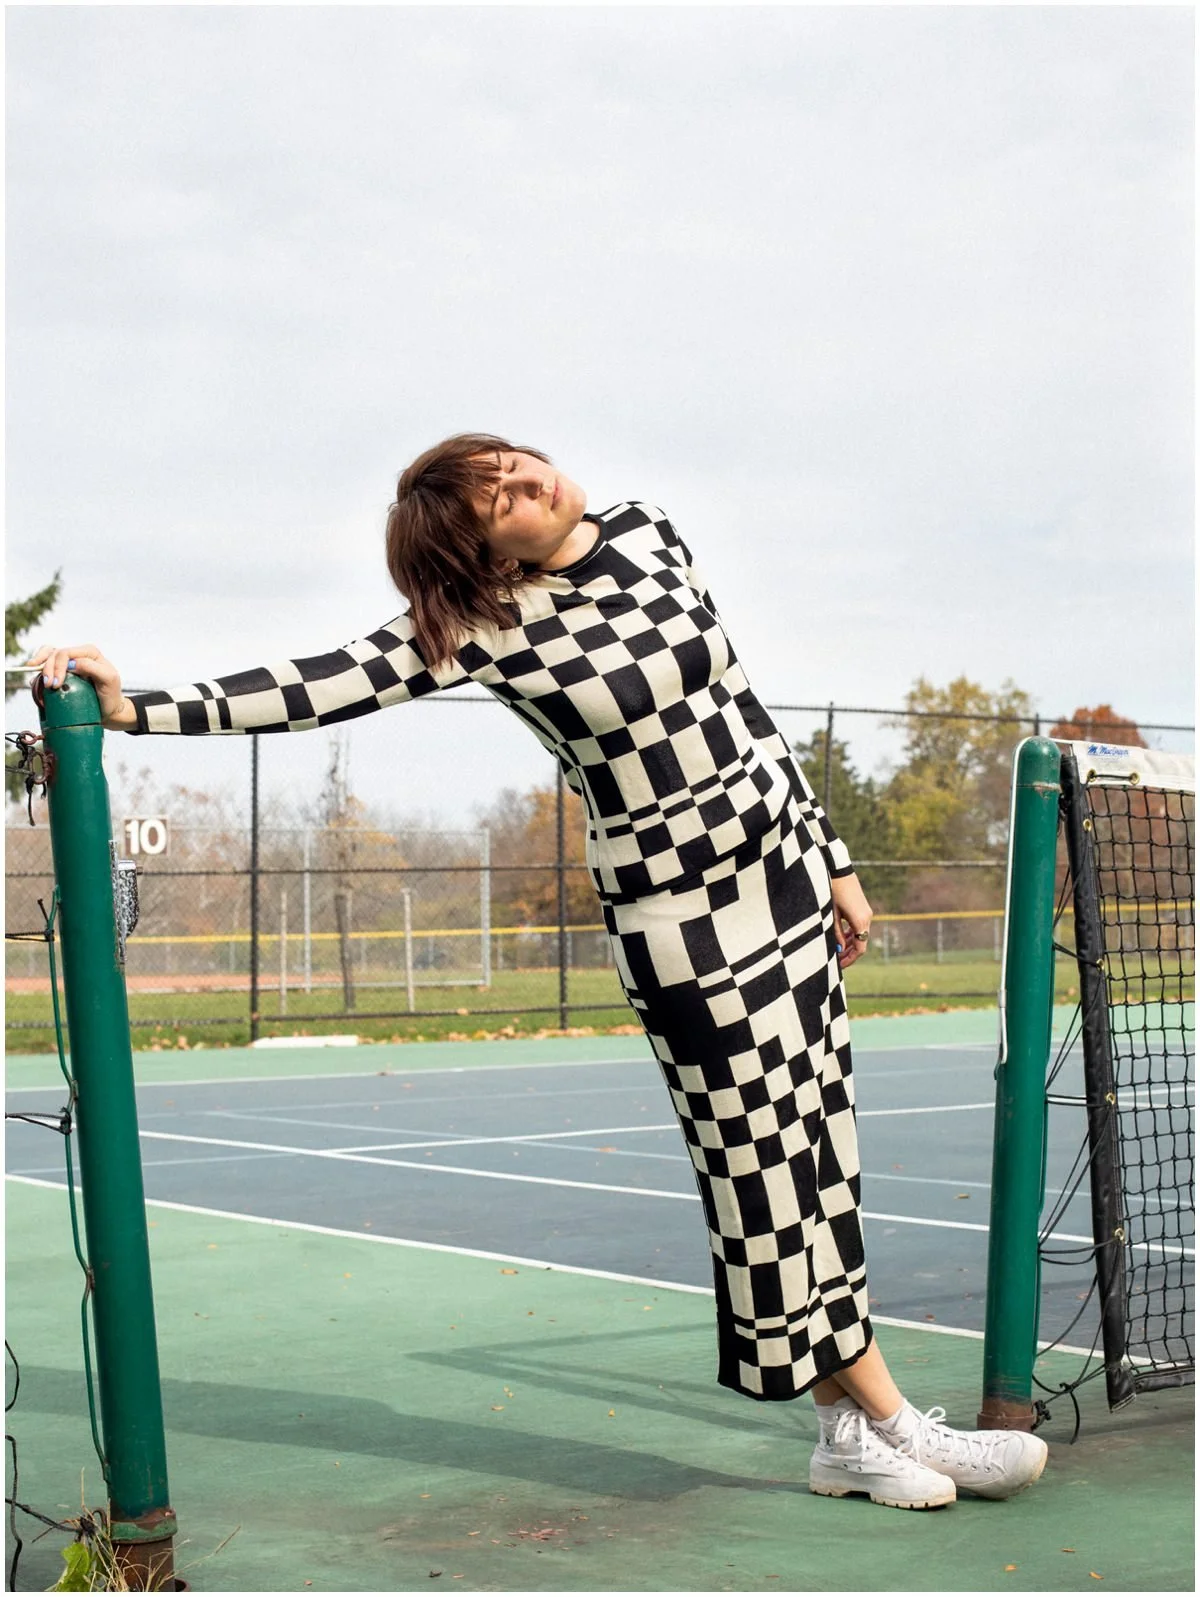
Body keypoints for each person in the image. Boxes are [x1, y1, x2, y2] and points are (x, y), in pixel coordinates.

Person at [28, 432, 1047, 1510]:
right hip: (684, 926)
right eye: (500, 499)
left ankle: (848, 1437)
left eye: (515, 464)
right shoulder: (483, 625)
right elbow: (317, 685)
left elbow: (742, 704)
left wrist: (830, 854)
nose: (528, 481)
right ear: (486, 553)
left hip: (785, 878)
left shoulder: (649, 533)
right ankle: (893, 1421)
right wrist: (138, 705)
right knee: (763, 1178)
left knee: (823, 1157)